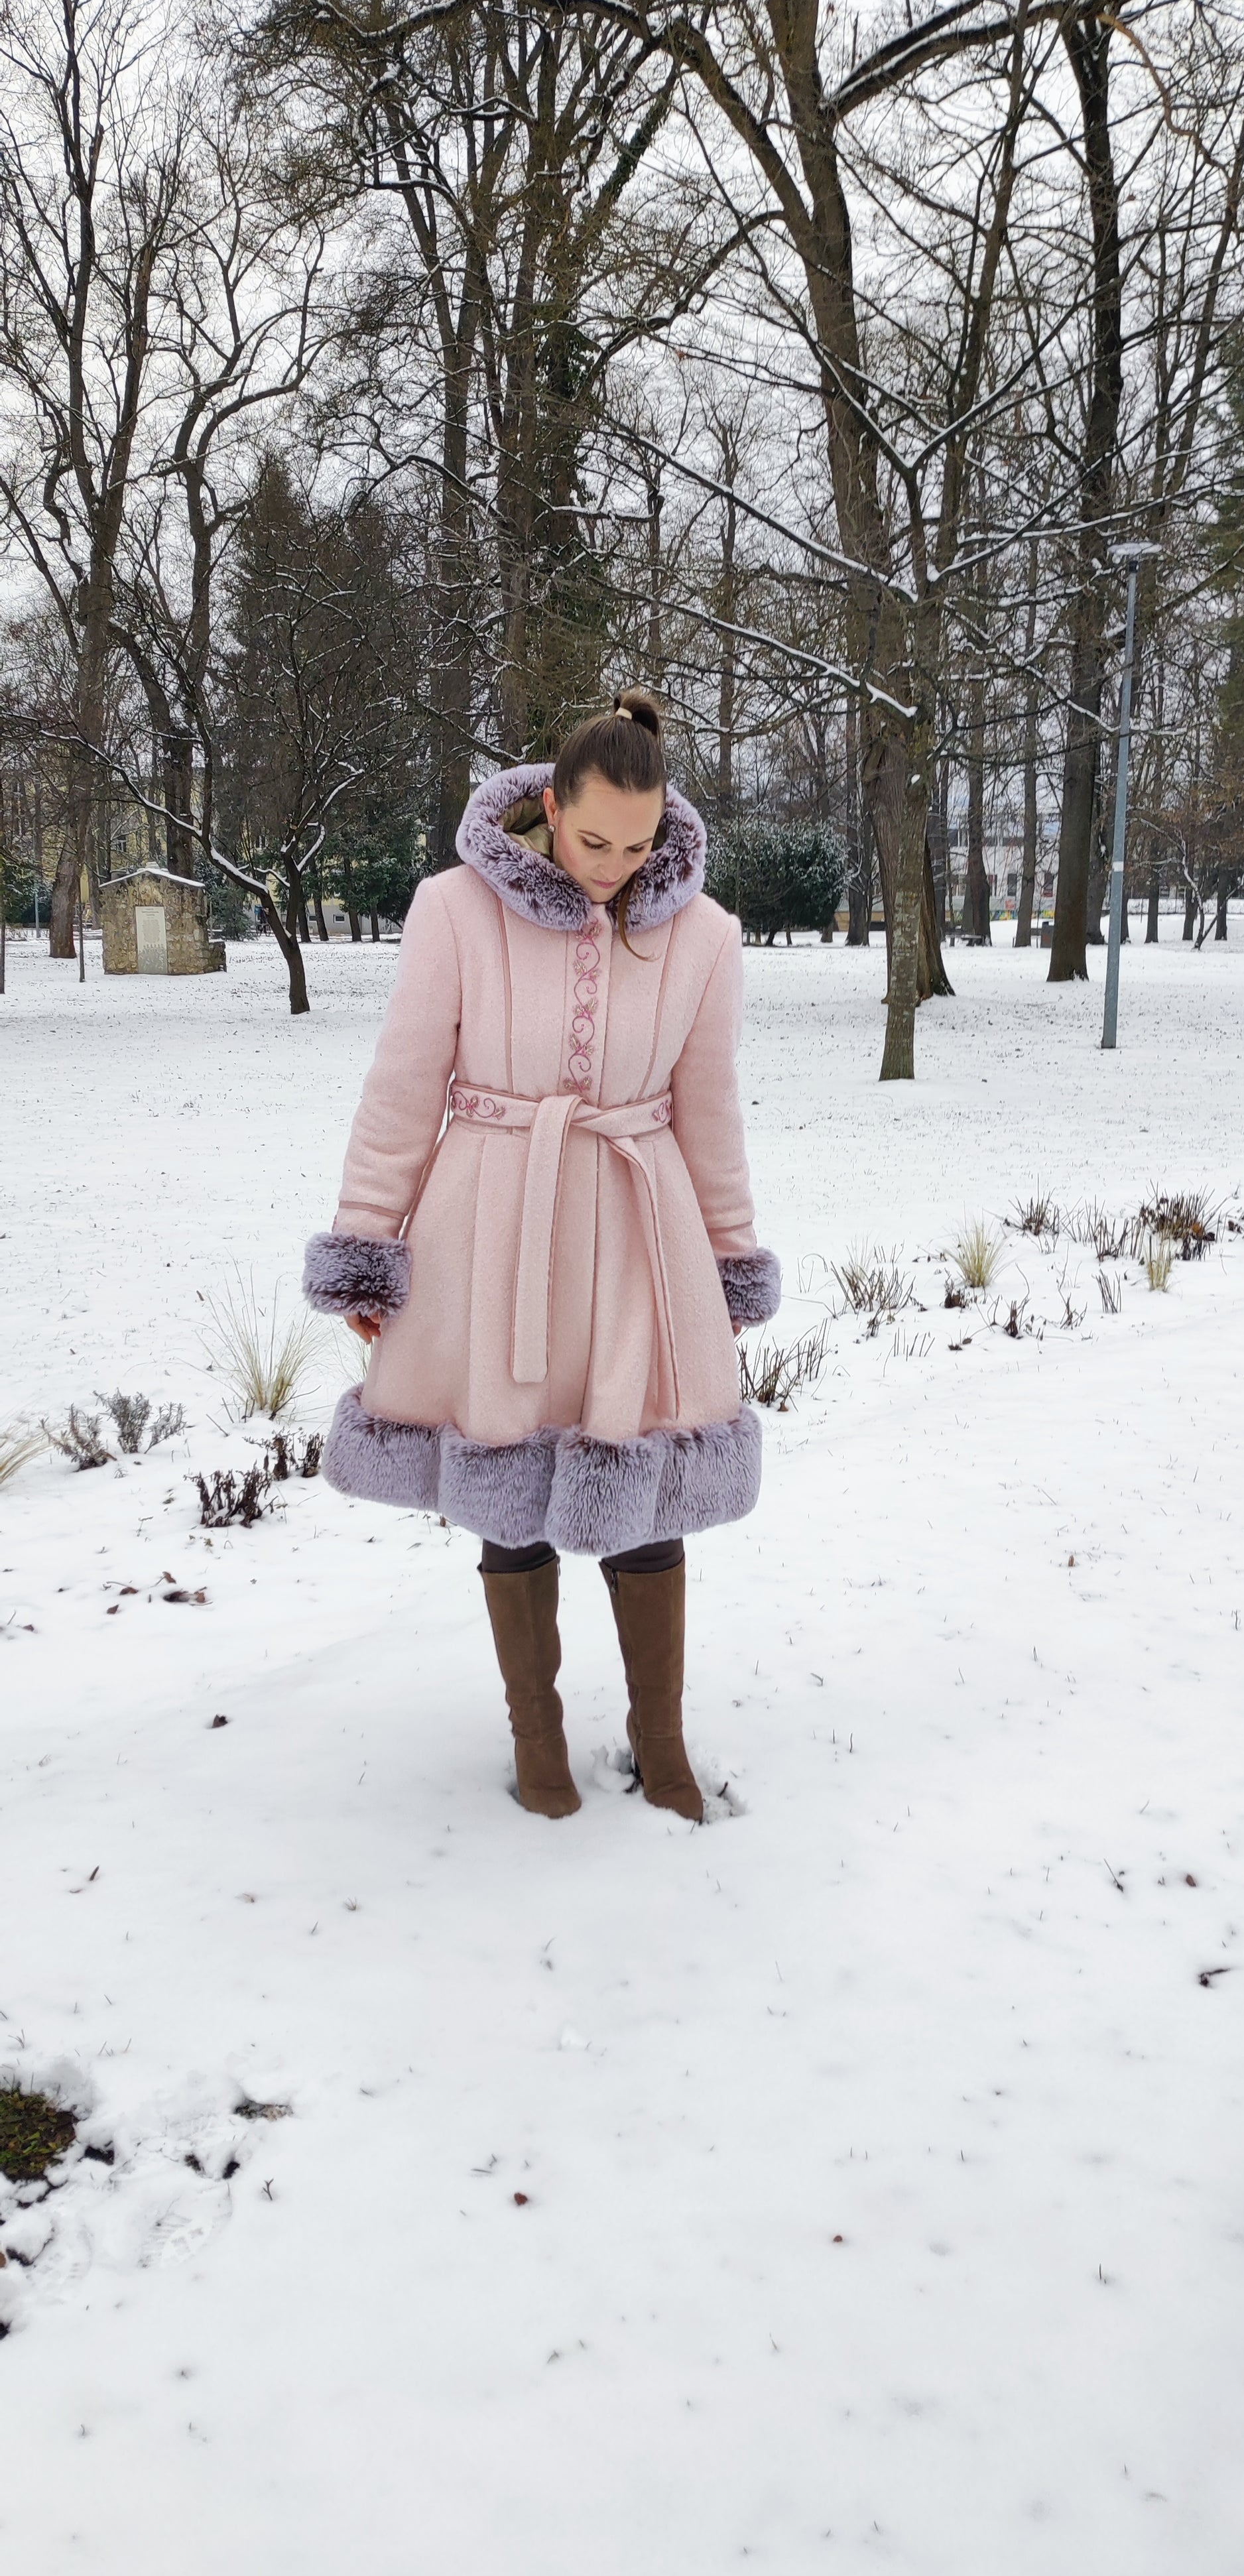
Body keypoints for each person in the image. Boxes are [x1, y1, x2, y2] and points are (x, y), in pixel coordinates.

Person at [303, 692, 779, 1823]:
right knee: (503, 1477)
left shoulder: (705, 936)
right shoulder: (453, 909)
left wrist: (728, 1259)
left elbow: (711, 1110)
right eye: (592, 839)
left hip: (637, 1228)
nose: (613, 867)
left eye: (638, 846)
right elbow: (402, 1086)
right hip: (488, 1222)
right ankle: (538, 1740)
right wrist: (367, 1245)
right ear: (549, 809)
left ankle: (660, 1741)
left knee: (642, 1476)